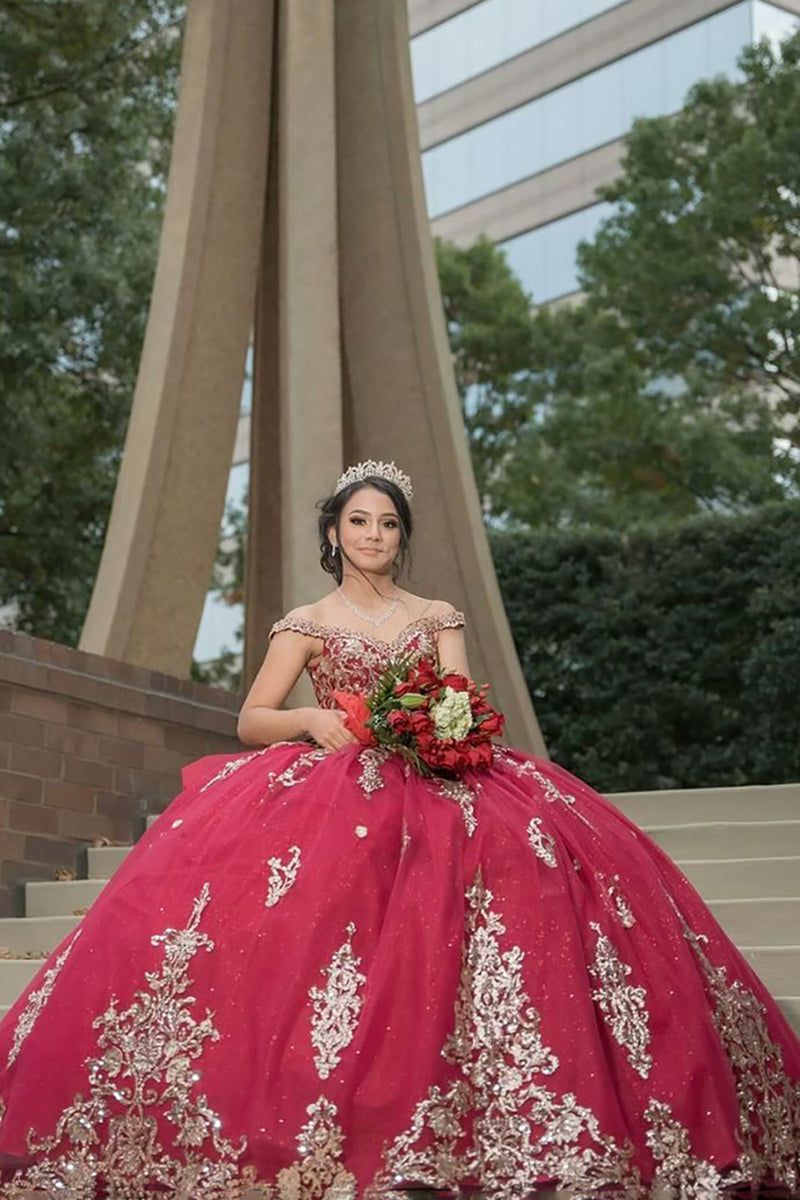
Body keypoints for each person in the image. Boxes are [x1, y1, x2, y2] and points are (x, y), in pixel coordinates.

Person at [0, 459, 798, 1200]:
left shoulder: (437, 614)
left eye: (386, 524)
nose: (373, 535)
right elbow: (251, 719)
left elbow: (460, 699)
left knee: (528, 868)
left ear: (400, 536)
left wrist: (449, 732)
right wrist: (311, 718)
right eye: (358, 522)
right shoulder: (305, 623)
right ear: (333, 535)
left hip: (444, 772)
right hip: (338, 778)